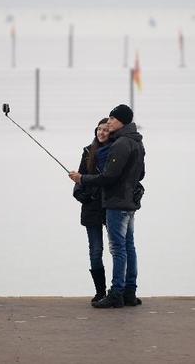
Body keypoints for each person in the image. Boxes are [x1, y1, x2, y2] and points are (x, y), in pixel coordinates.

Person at [69, 104, 145, 308]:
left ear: (122, 121)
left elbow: (109, 176)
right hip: (130, 201)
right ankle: (130, 292)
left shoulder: (120, 143)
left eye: (112, 118)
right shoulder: (137, 142)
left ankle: (116, 293)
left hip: (116, 202)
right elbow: (141, 174)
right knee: (129, 247)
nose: (109, 122)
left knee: (118, 248)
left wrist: (82, 178)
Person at [73, 118, 110, 303]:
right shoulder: (88, 151)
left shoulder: (115, 152)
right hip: (92, 209)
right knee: (96, 251)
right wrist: (84, 195)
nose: (102, 133)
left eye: (106, 130)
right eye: (99, 129)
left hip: (111, 207)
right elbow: (80, 180)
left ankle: (119, 290)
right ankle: (100, 292)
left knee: (119, 250)